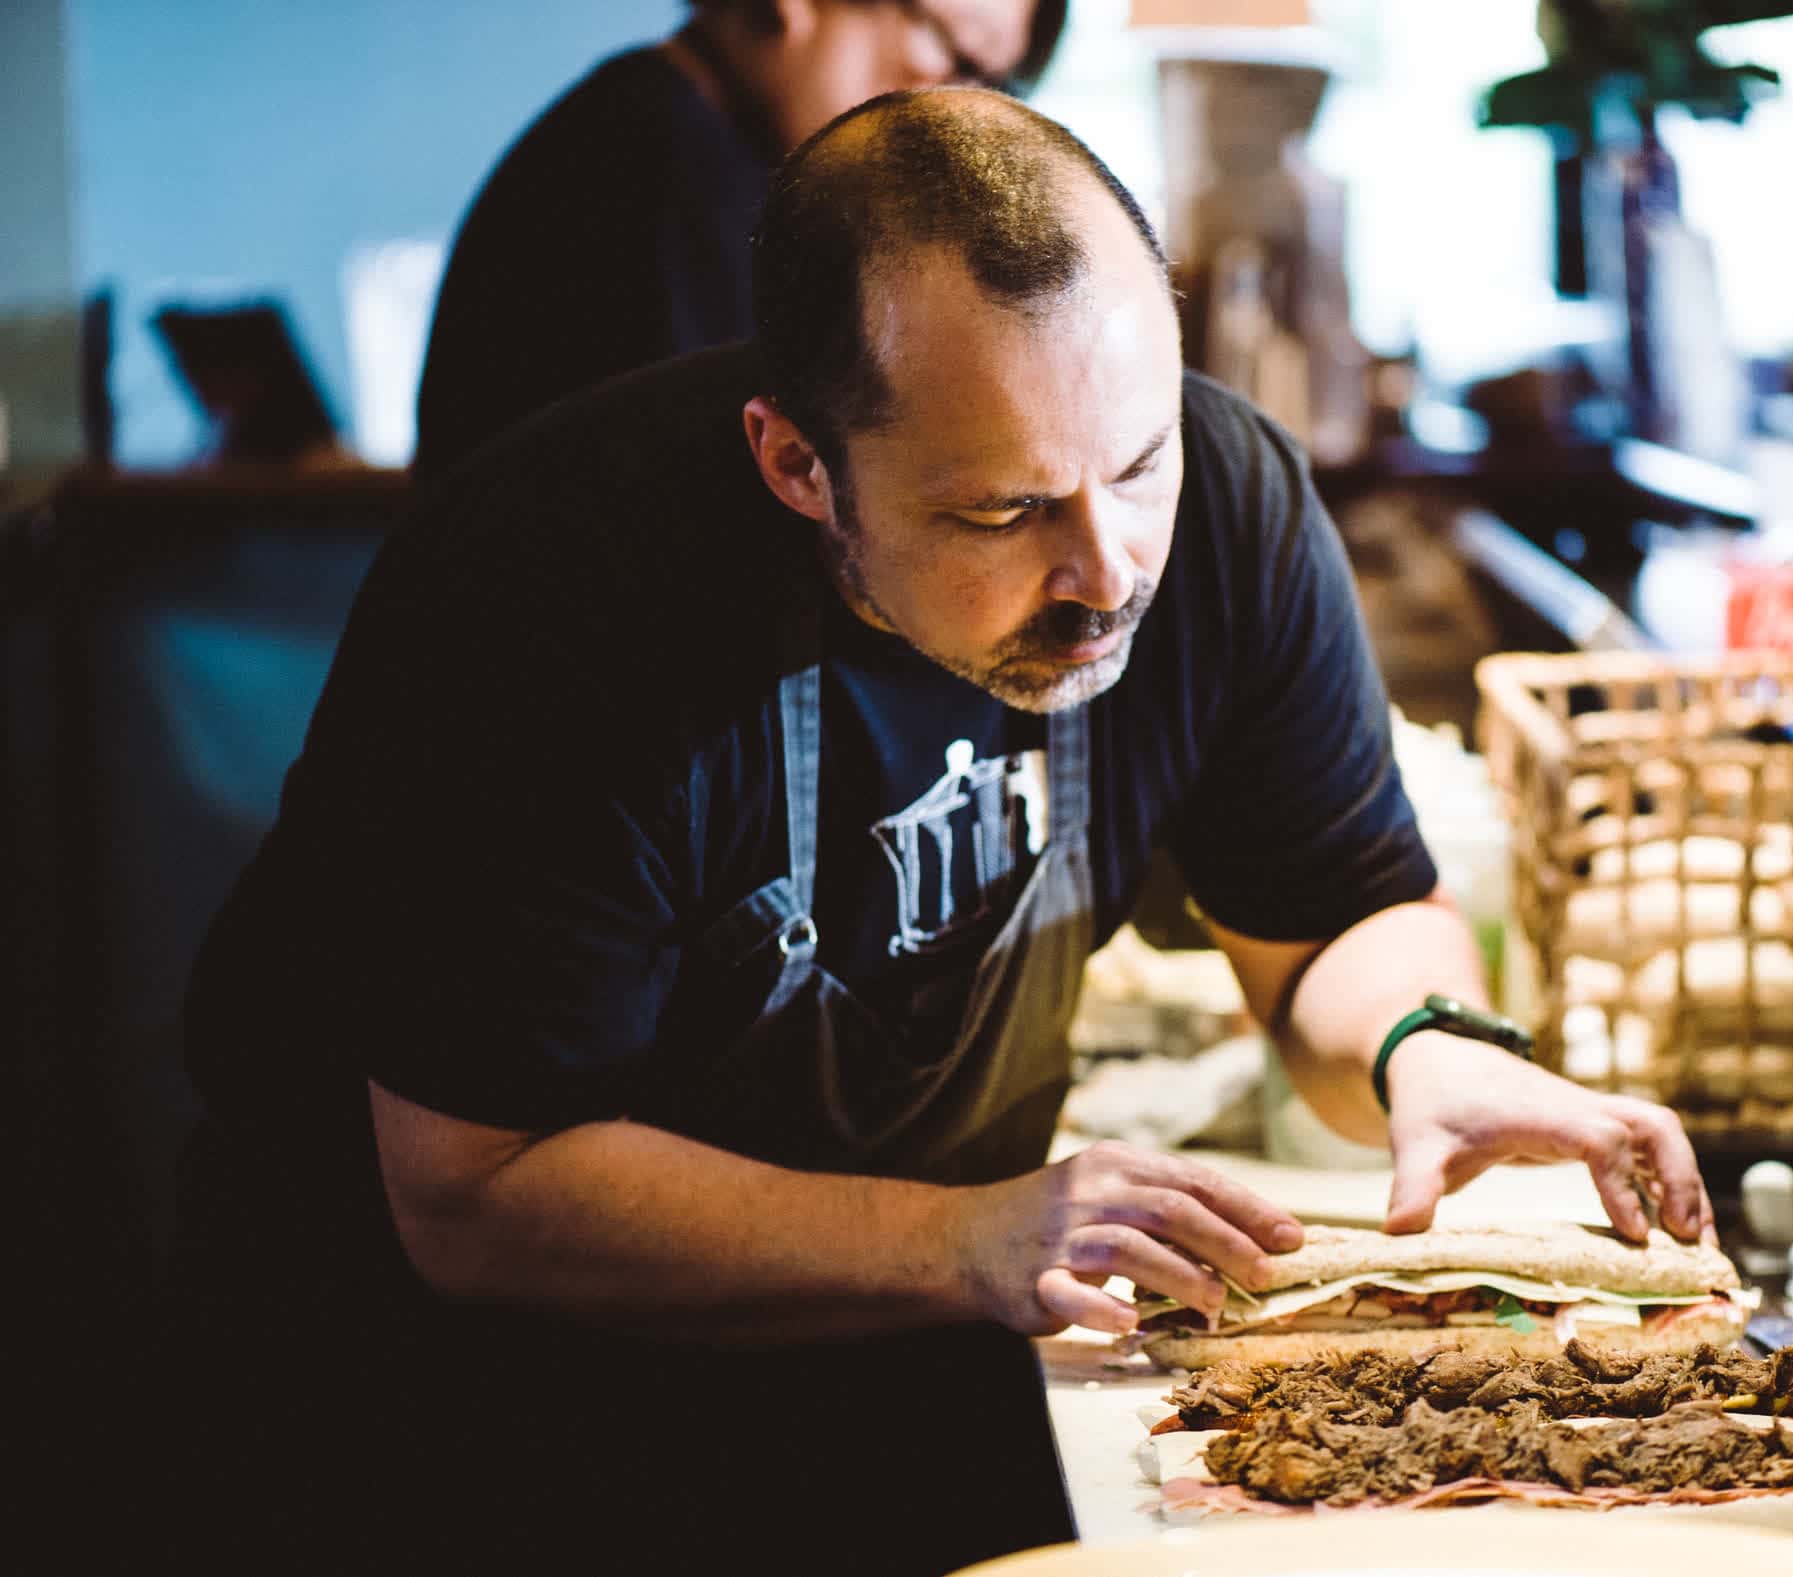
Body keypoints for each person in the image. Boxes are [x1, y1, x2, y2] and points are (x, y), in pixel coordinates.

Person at [163, 89, 1715, 1574]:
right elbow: (477, 1197)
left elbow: (1323, 922)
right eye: (1002, 513)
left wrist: (1424, 1048)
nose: (1106, 570)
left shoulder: (1229, 505)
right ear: (794, 463)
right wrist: (968, 1236)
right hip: (449, 1395)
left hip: (885, 1302)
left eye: (1135, 465)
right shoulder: (548, 605)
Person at [412, 0, 1066, 479]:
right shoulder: (658, 170)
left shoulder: (670, 138)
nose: (956, 111)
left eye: (993, 85)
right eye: (952, 55)